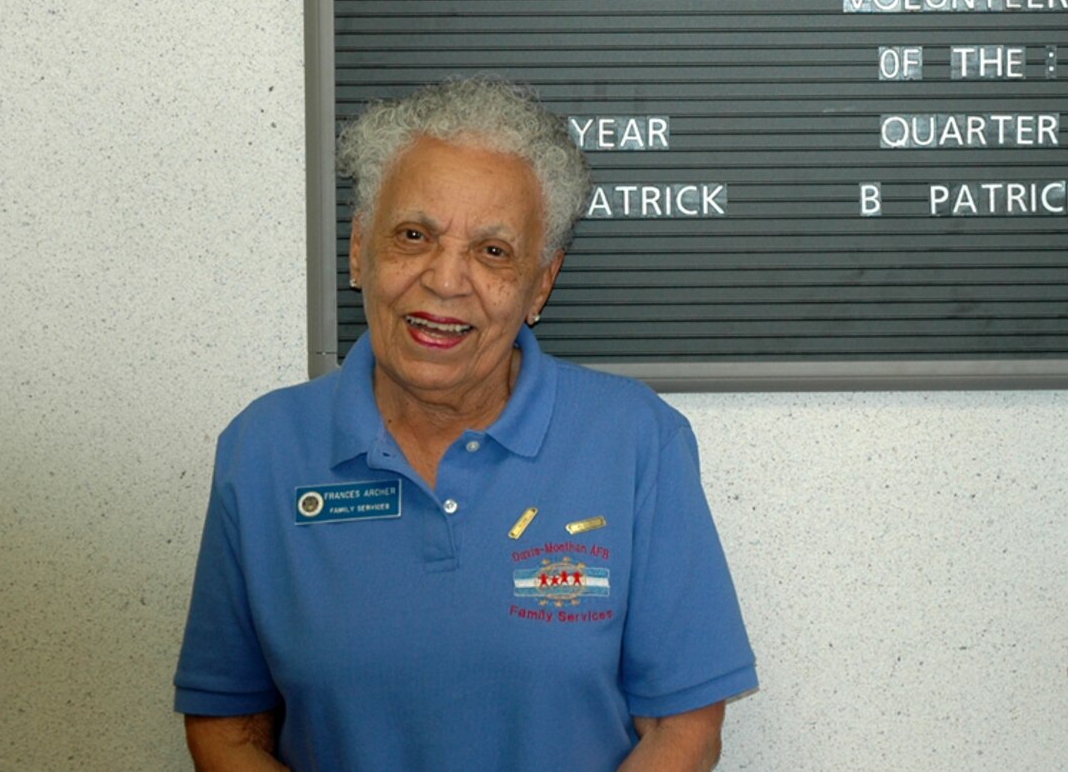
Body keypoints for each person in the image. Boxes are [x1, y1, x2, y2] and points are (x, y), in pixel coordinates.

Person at [175, 78, 755, 771]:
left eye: (493, 251)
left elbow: (683, 731)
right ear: (360, 249)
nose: (446, 280)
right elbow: (226, 729)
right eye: (414, 235)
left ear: (541, 283)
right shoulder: (263, 450)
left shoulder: (639, 442)